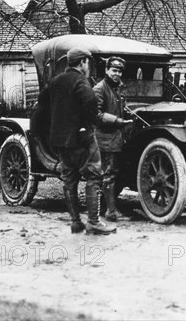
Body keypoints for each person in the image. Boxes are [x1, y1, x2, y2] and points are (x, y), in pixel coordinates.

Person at [38, 47, 115, 235]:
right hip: (82, 140)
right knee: (94, 176)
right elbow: (91, 108)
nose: (88, 66)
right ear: (82, 63)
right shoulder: (81, 82)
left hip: (60, 142)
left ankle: (75, 222)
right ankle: (94, 222)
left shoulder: (54, 82)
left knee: (69, 181)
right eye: (88, 62)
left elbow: (42, 105)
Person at [93, 56, 133, 222]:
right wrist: (118, 121)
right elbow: (96, 114)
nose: (117, 74)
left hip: (115, 138)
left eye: (119, 71)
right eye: (114, 70)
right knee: (109, 174)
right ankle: (111, 211)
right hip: (105, 138)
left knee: (114, 173)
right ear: (107, 70)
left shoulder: (117, 88)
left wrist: (128, 113)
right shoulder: (99, 89)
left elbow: (119, 107)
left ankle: (105, 207)